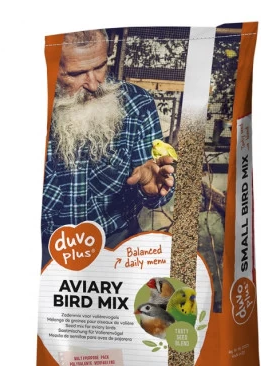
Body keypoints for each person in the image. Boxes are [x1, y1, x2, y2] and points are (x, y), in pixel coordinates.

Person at [42, 29, 175, 261]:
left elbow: (160, 189)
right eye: (76, 73)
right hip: (43, 246)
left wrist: (151, 188)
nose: (94, 84)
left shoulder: (138, 104)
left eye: (100, 66)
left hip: (116, 241)